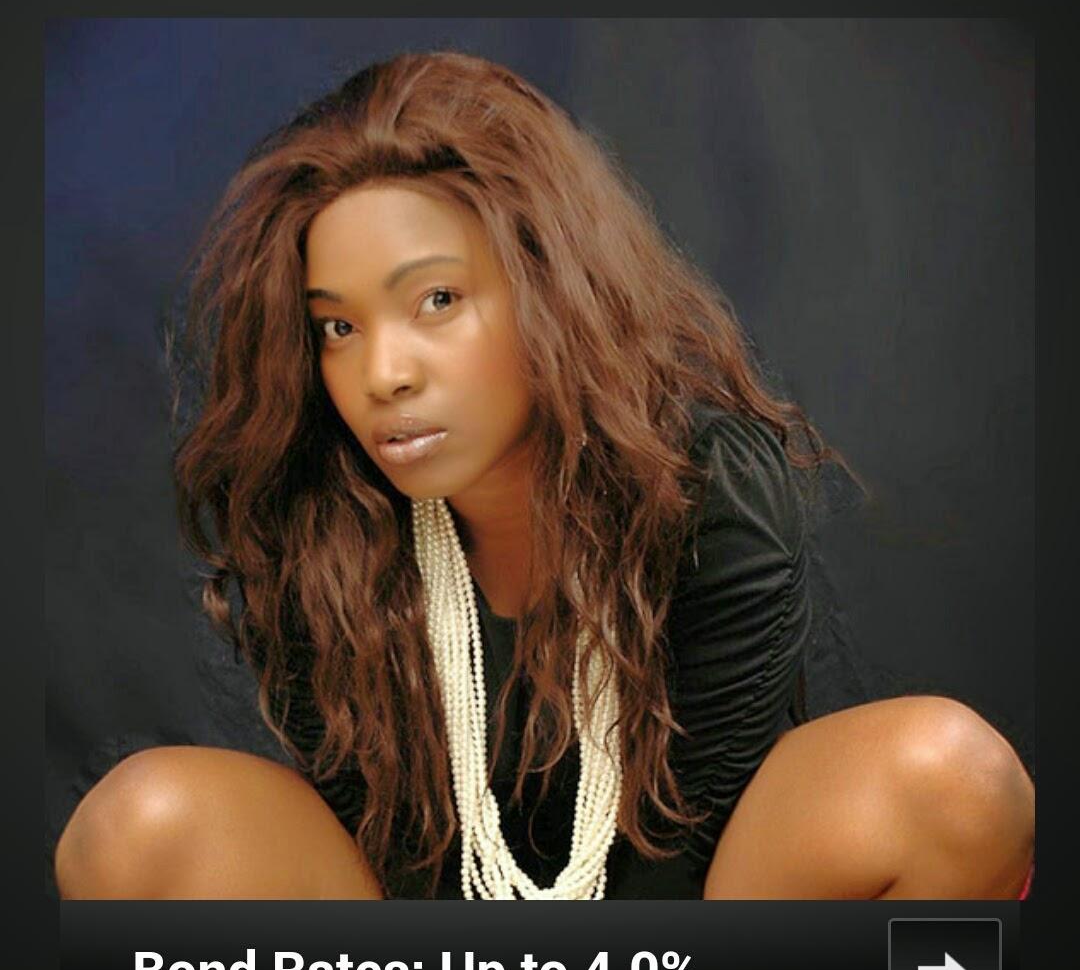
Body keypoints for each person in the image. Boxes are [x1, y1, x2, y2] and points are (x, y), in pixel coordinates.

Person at [54, 50, 1034, 901]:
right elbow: (402, 872)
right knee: (139, 824)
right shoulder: (317, 514)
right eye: (338, 326)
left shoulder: (710, 489)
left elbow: (688, 860)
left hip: (699, 938)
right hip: (429, 961)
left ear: (547, 290)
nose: (383, 373)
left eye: (437, 300)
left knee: (950, 775)